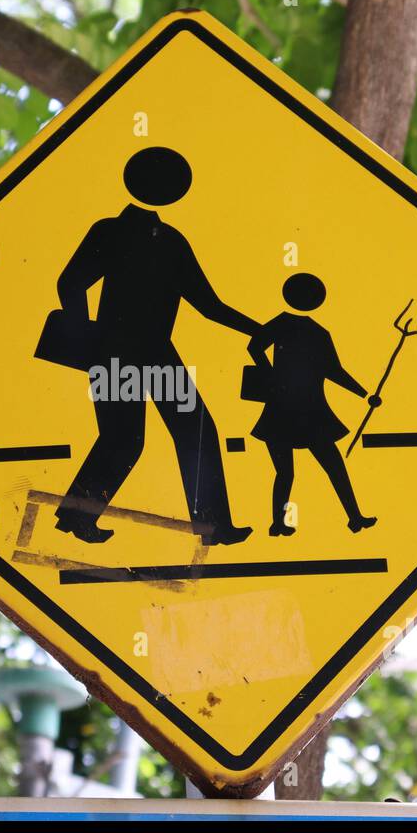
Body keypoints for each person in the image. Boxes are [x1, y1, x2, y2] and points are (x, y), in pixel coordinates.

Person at [49, 147, 258, 546]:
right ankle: (78, 518)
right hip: (117, 351)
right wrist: (87, 339)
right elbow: (71, 282)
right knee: (124, 438)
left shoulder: (168, 242)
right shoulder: (113, 231)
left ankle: (213, 526)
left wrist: (257, 329)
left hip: (154, 352)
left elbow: (208, 305)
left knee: (191, 430)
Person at [247, 273, 379, 536]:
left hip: (309, 411)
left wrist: (364, 394)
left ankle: (354, 517)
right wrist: (270, 372)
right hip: (287, 409)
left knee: (328, 466)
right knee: (289, 471)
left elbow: (334, 370)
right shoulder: (291, 325)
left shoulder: (317, 331)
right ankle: (278, 523)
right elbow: (255, 346)